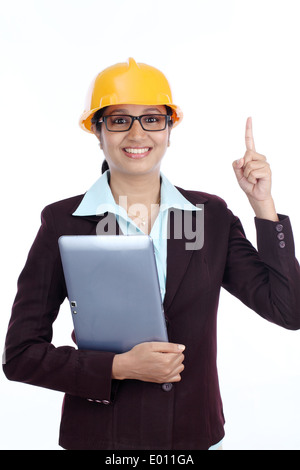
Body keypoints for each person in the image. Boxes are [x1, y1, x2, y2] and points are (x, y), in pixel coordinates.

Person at [3, 58, 300, 451]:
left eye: (152, 119)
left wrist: (263, 205)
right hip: (101, 440)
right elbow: (21, 354)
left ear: (169, 129)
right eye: (119, 120)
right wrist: (117, 367)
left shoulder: (210, 216)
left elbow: (288, 310)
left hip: (195, 437)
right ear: (98, 131)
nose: (137, 133)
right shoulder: (63, 221)